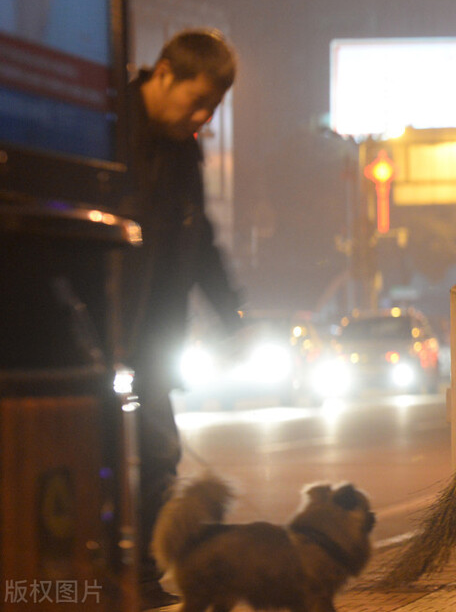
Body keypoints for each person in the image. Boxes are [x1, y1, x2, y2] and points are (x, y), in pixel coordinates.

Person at [117, 30, 243, 608]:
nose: (202, 116)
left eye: (212, 108)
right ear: (163, 73)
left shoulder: (182, 147)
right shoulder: (109, 125)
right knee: (100, 449)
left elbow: (201, 241)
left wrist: (232, 315)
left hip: (153, 333)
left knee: (159, 452)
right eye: (198, 101)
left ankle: (140, 573)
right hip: (102, 326)